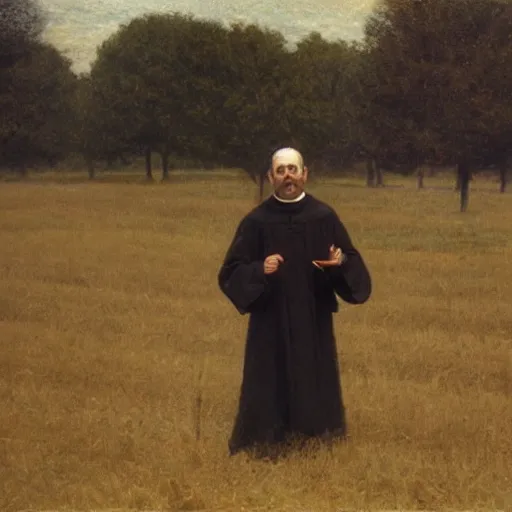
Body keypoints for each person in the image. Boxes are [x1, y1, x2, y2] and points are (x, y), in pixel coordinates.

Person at [218, 147, 372, 458]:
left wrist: (339, 262)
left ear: (305, 174)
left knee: (313, 373)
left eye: (293, 169)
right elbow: (230, 272)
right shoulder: (256, 221)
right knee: (269, 376)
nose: (287, 176)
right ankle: (265, 442)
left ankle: (313, 439)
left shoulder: (323, 217)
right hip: (269, 319)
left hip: (312, 315)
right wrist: (259, 269)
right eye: (280, 171)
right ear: (270, 178)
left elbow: (351, 262)